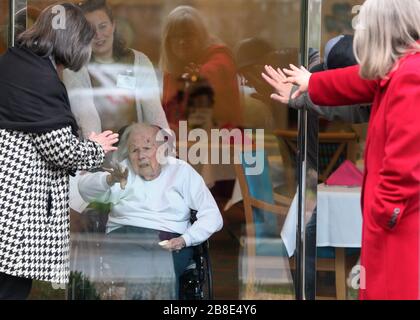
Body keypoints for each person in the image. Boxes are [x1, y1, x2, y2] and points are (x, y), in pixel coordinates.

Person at [264, 0, 420, 300]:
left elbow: (405, 169)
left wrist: (382, 213)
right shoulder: (402, 68)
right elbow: (357, 80)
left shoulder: (411, 75)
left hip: (398, 227)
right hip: (392, 225)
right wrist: (310, 82)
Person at [0, 3, 119, 300]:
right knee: (11, 288)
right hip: (16, 207)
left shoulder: (17, 61)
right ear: (71, 41)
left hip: (8, 200)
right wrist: (96, 148)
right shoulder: (39, 78)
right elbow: (59, 150)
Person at [78, 123, 223, 298]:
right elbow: (84, 189)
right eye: (134, 150)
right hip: (125, 237)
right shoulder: (122, 171)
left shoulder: (182, 171)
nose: (141, 155)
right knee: (151, 268)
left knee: (153, 266)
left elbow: (213, 216)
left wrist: (185, 239)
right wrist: (109, 179)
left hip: (171, 240)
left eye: (147, 147)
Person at [63, 0, 169, 138]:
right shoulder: (75, 68)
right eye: (89, 29)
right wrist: (97, 152)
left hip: (135, 152)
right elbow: (86, 118)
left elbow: (154, 113)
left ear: (113, 25)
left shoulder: (138, 61)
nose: (98, 35)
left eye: (103, 26)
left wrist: (165, 150)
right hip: (96, 150)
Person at [160, 5, 243, 132]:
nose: (182, 41)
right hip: (187, 145)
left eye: (188, 35)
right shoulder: (172, 72)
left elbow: (211, 75)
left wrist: (198, 79)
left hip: (225, 144)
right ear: (168, 41)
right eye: (176, 36)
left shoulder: (220, 57)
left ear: (201, 36)